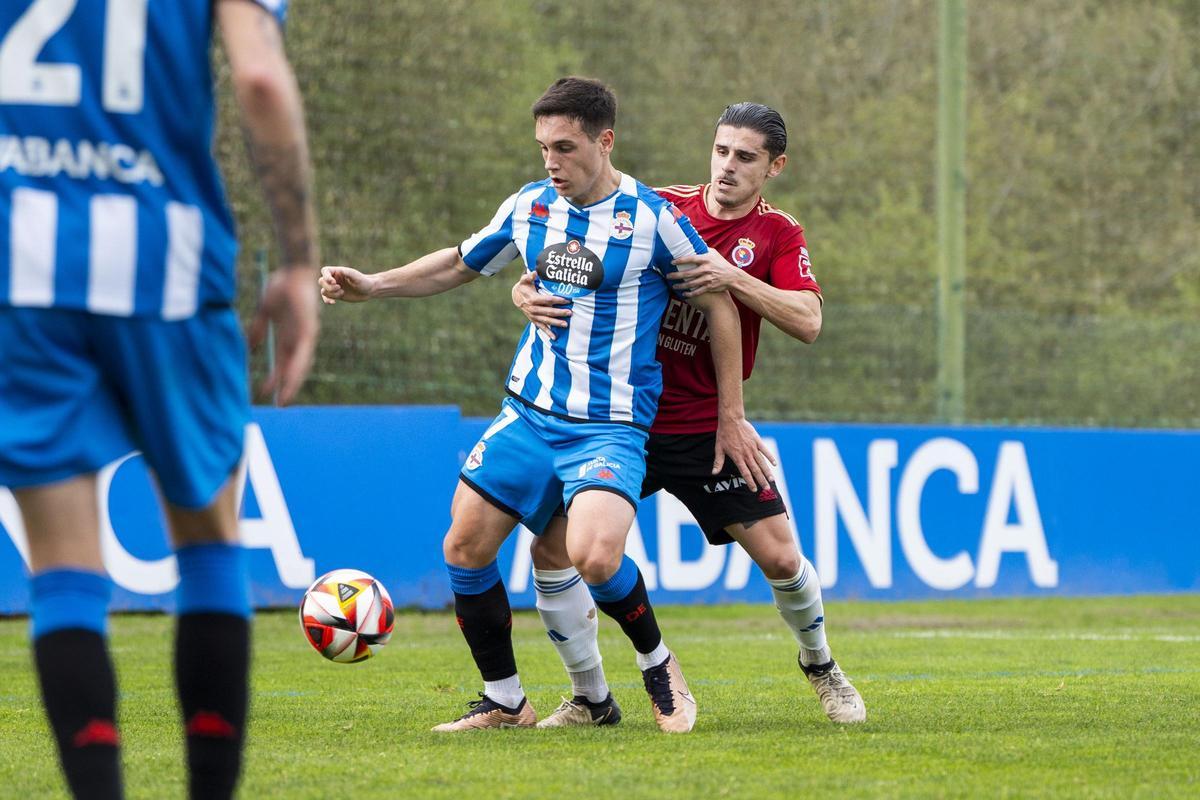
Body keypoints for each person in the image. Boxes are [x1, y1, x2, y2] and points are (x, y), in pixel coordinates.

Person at [320, 77, 771, 734]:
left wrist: (731, 413)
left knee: (594, 555)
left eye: (565, 147)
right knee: (465, 545)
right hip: (529, 414)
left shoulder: (652, 220)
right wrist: (373, 285)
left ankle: (657, 661)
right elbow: (460, 263)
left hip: (609, 426)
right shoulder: (530, 206)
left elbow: (719, 307)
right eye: (543, 149)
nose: (552, 162)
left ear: (604, 141)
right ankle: (505, 700)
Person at [0, 1, 319, 797]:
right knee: (210, 540)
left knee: (62, 568)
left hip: (24, 271)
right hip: (168, 265)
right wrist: (297, 257)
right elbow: (259, 78)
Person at [512, 102, 866, 728]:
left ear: (775, 167)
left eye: (747, 157)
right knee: (551, 550)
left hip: (708, 428)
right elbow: (568, 258)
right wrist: (524, 290)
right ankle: (589, 697)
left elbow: (809, 321)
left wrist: (734, 278)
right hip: (621, 421)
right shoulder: (661, 207)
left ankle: (820, 664)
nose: (728, 167)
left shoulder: (779, 234)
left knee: (783, 559)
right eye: (722, 150)